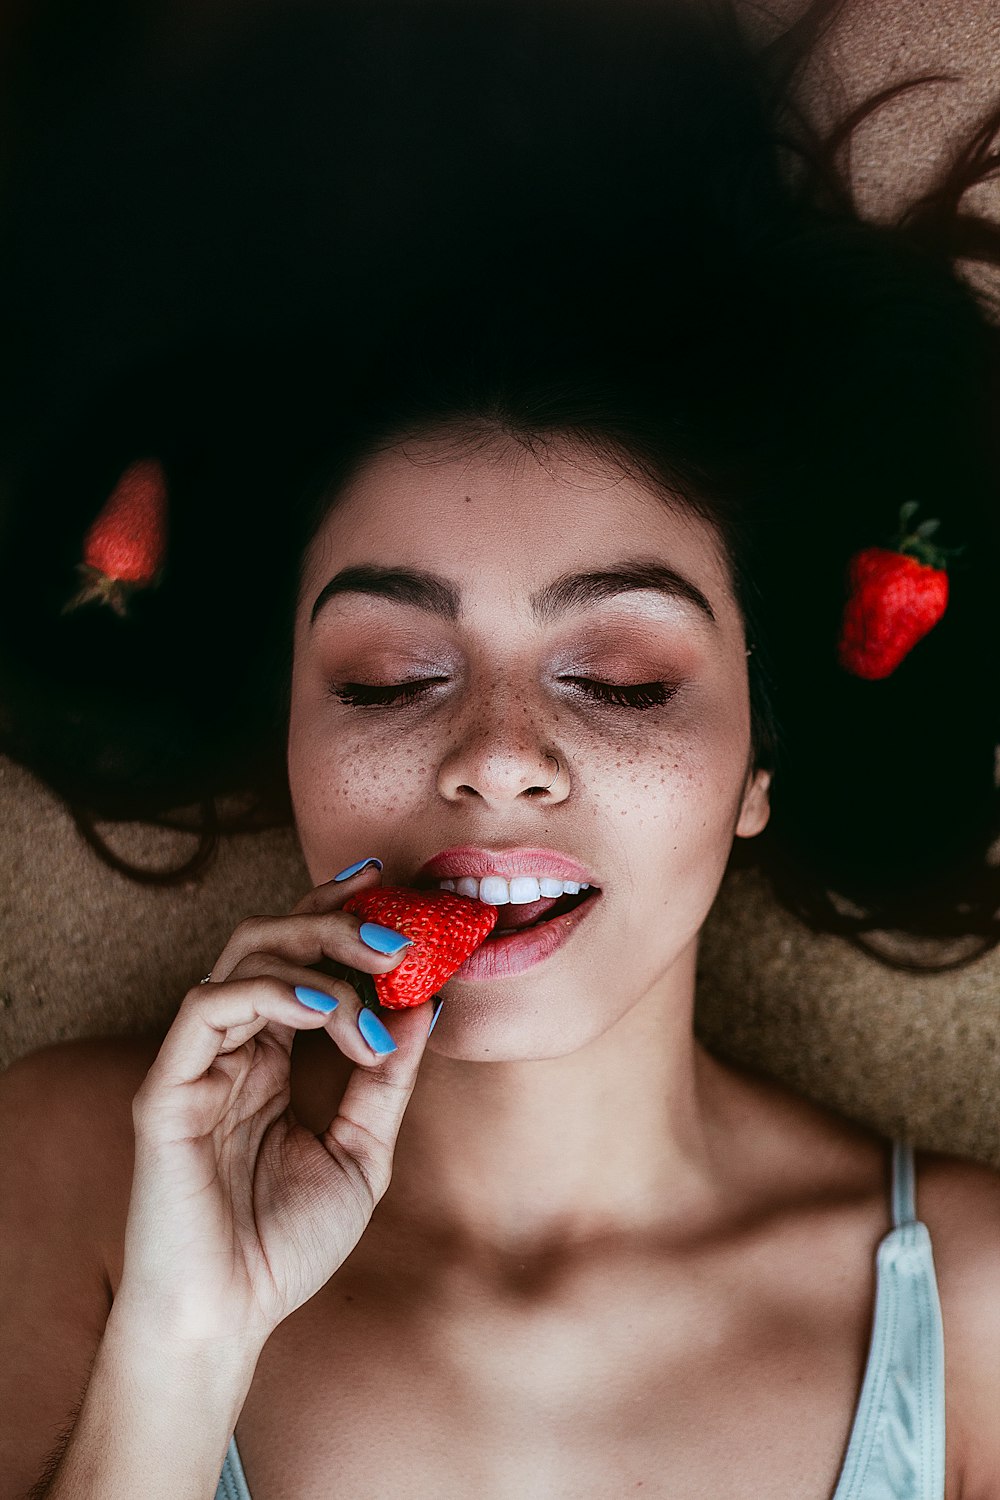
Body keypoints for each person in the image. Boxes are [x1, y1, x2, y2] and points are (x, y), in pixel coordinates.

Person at [1, 2, 999, 1498]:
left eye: (621, 679)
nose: (496, 756)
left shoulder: (976, 1313)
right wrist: (182, 1343)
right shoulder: (72, 1176)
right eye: (391, 674)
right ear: (285, 725)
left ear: (759, 773)